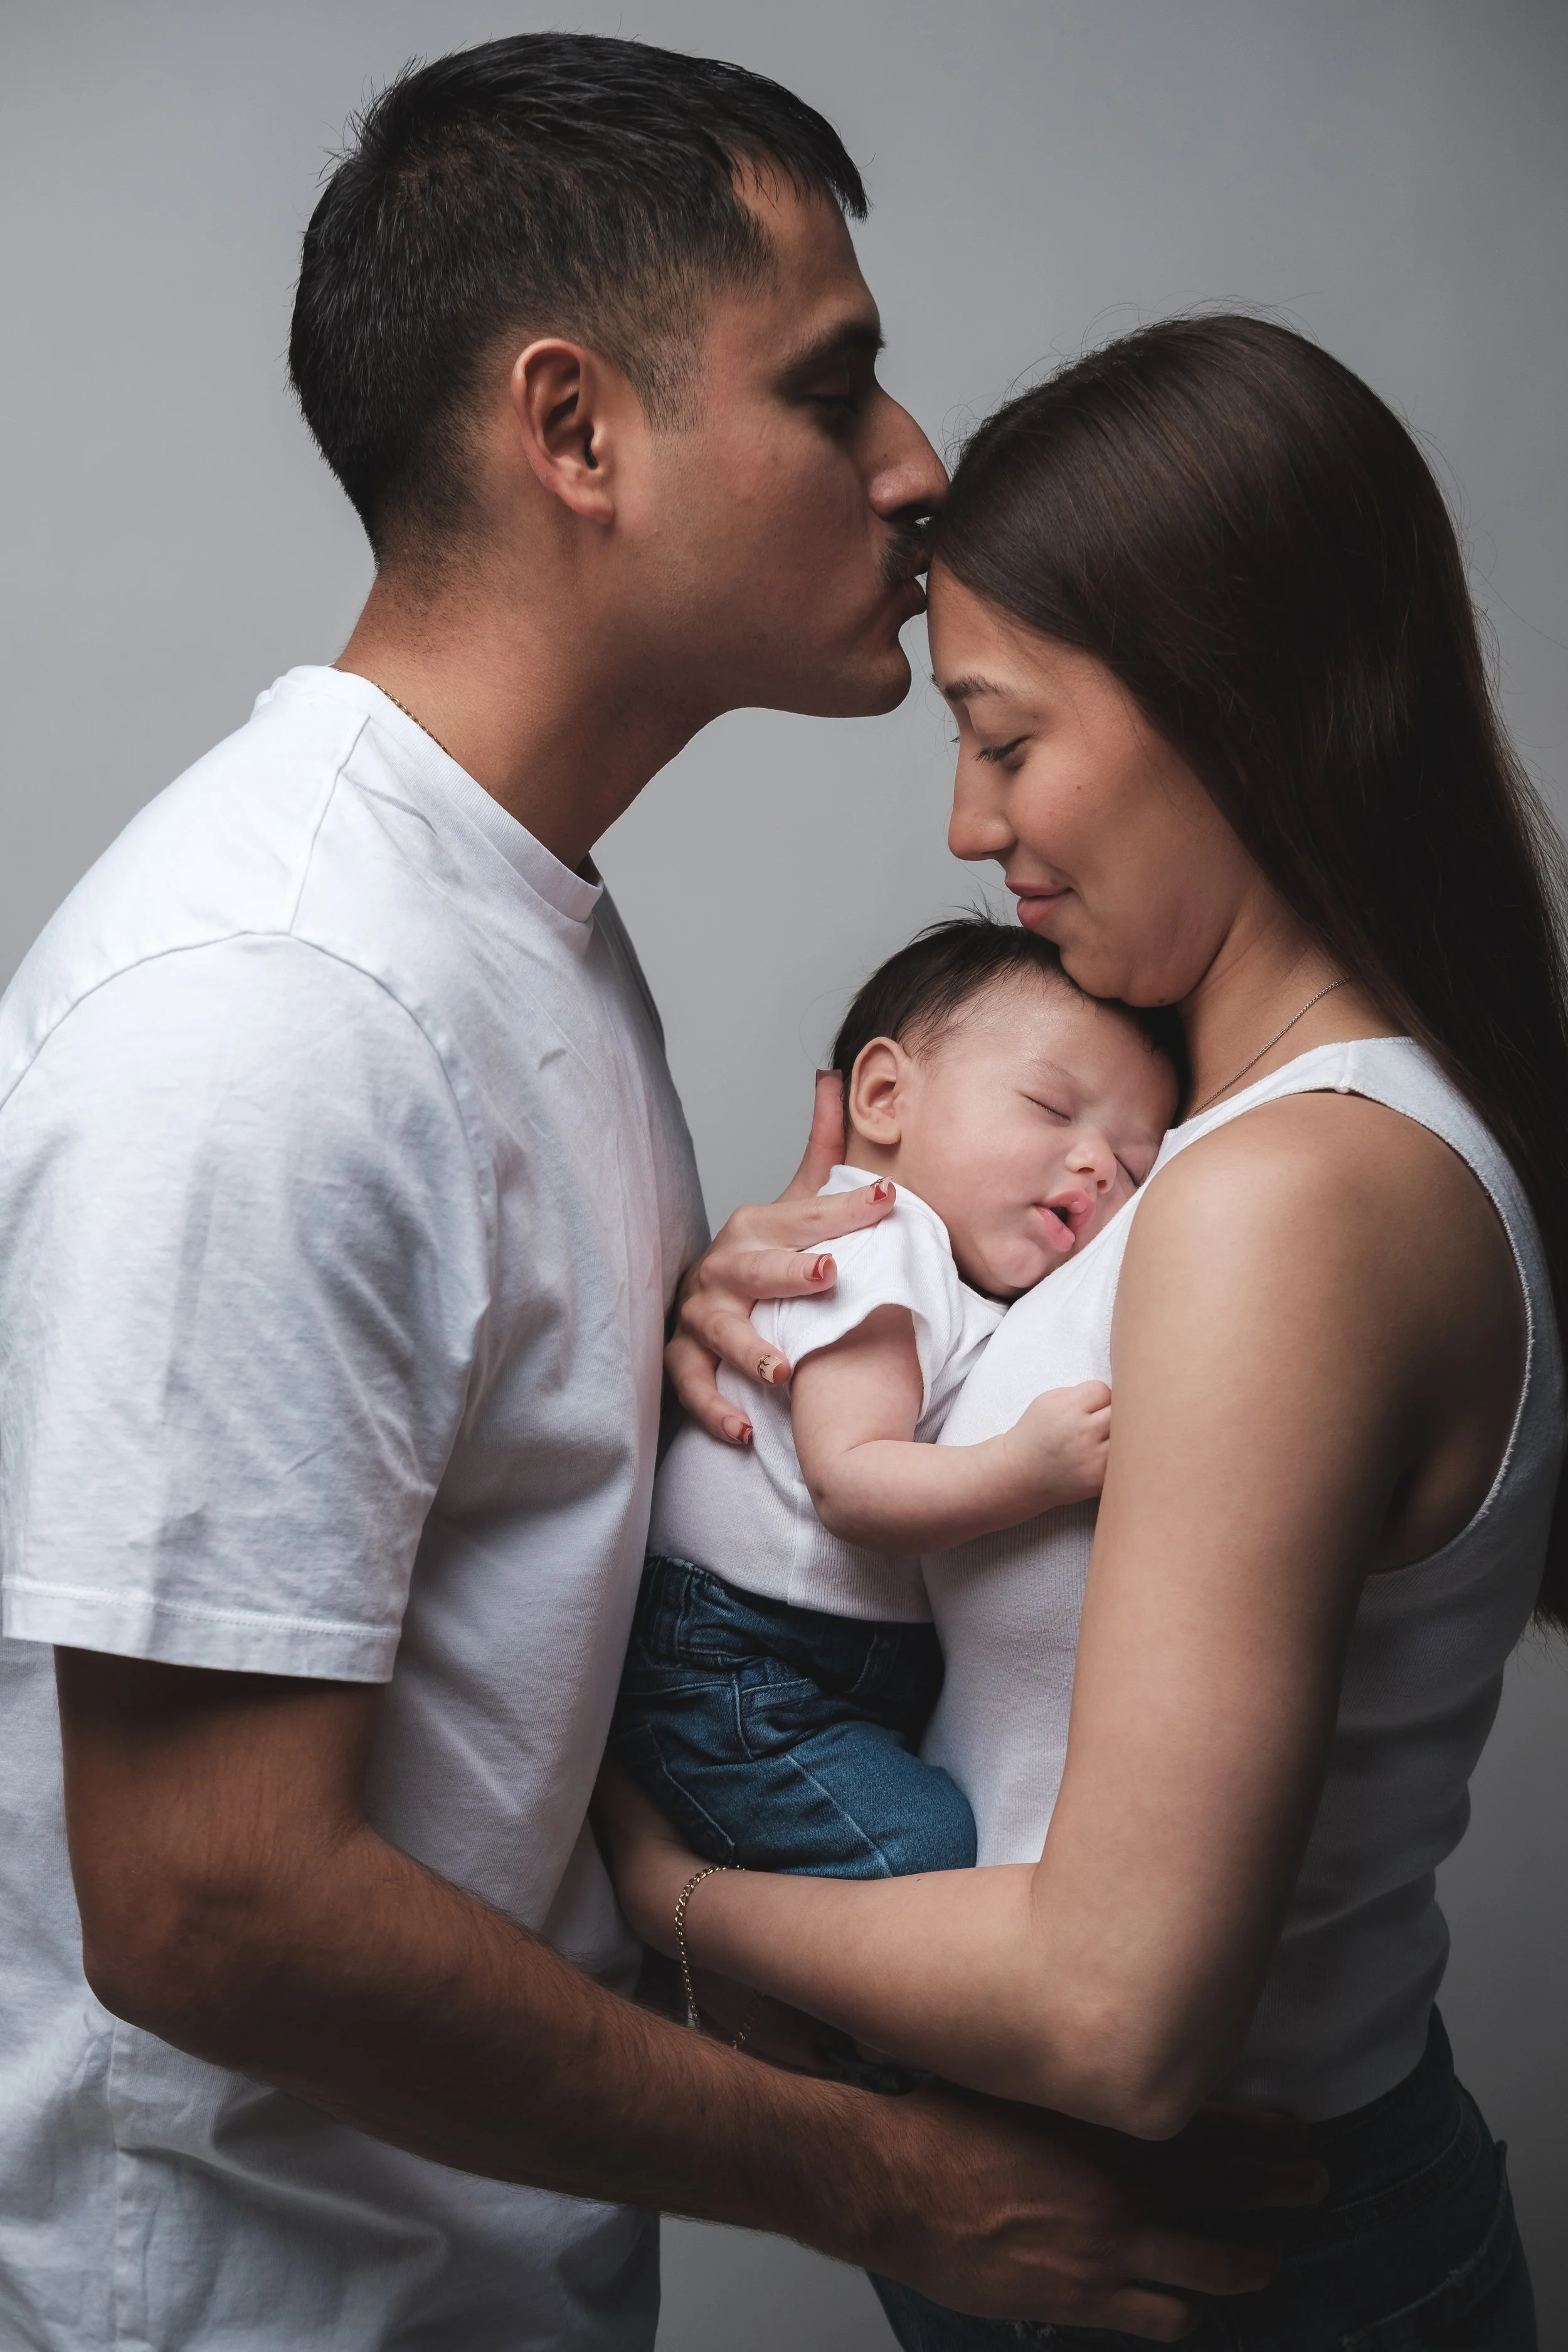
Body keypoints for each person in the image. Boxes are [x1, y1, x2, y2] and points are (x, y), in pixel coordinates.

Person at [0, 40, 1320, 2352]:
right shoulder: (276, 1013)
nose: (919, 467)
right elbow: (207, 1905)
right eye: (837, 389)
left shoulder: (508, 925)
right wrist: (889, 2180)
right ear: (575, 433)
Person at [626, 315, 1568, 2348]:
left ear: (1232, 698)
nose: (970, 825)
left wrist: (667, 1893)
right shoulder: (1209, 1157)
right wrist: (798, 1297)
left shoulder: (1290, 1199)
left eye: (1007, 733)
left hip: (1234, 2266)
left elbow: (1122, 2016)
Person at [613, 918, 1176, 1887]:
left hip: (810, 1659)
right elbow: (852, 1482)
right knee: (921, 1858)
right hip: (739, 1662)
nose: (1095, 1167)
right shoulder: (883, 1243)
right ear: (883, 1096)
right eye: (1051, 1106)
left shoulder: (966, 1284)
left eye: (1130, 1166)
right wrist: (1028, 1469)